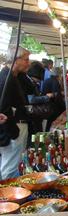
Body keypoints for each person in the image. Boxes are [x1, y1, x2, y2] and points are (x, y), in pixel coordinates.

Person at [0, 46, 30, 180]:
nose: (28, 63)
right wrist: (14, 132)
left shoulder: (14, 76)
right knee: (10, 167)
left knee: (13, 164)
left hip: (15, 127)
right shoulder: (6, 79)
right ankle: (8, 197)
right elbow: (4, 108)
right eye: (26, 60)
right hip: (13, 129)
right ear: (16, 60)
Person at [18, 61, 53, 137]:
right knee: (35, 135)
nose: (40, 80)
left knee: (35, 134)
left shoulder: (27, 80)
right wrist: (46, 97)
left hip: (32, 116)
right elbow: (31, 100)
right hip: (32, 115)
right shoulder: (27, 82)